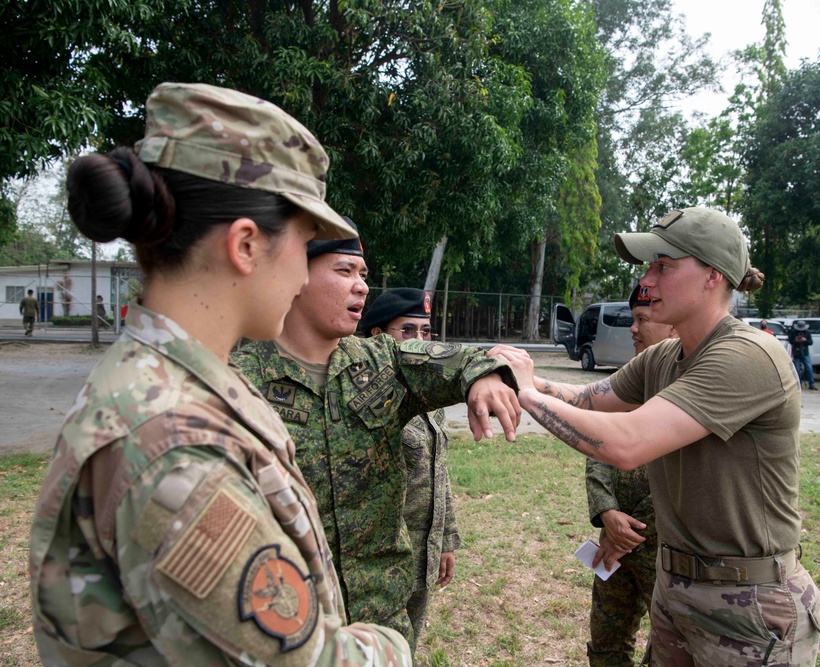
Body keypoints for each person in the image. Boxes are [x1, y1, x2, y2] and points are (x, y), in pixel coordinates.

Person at [29, 82, 409, 666]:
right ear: (247, 245)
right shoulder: (172, 445)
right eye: (305, 242)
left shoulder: (177, 382)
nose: (305, 279)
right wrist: (392, 646)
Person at [490, 207, 820, 666]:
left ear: (712, 276)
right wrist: (518, 375)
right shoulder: (665, 355)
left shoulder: (747, 355)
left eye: (663, 266)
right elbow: (585, 397)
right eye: (649, 267)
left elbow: (626, 444)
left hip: (748, 604)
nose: (646, 281)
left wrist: (527, 396)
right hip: (677, 586)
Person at [233, 225, 520, 652]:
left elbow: (453, 359)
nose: (361, 286)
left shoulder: (382, 359)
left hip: (380, 614)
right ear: (296, 273)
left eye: (364, 274)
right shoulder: (239, 376)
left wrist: (485, 376)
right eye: (345, 270)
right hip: (287, 620)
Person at [580, 282, 675, 666]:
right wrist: (605, 511)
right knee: (606, 638)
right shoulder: (625, 382)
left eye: (642, 320)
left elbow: (681, 478)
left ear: (672, 327)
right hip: (612, 537)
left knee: (668, 645)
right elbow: (596, 447)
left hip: (664, 548)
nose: (632, 329)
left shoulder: (690, 385)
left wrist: (632, 532)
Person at [360, 287, 460, 652]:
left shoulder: (431, 397)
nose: (421, 342)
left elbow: (440, 473)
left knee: (406, 649)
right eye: (408, 331)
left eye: (426, 332)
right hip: (379, 564)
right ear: (377, 336)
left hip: (423, 553)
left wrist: (446, 541)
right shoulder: (363, 399)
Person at [790, 320, 817, 390]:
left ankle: (812, 384)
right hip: (797, 352)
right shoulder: (793, 333)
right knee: (797, 369)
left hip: (805, 352)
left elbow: (810, 342)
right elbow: (790, 341)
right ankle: (799, 384)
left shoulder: (807, 333)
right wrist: (795, 341)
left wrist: (805, 340)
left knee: (809, 368)